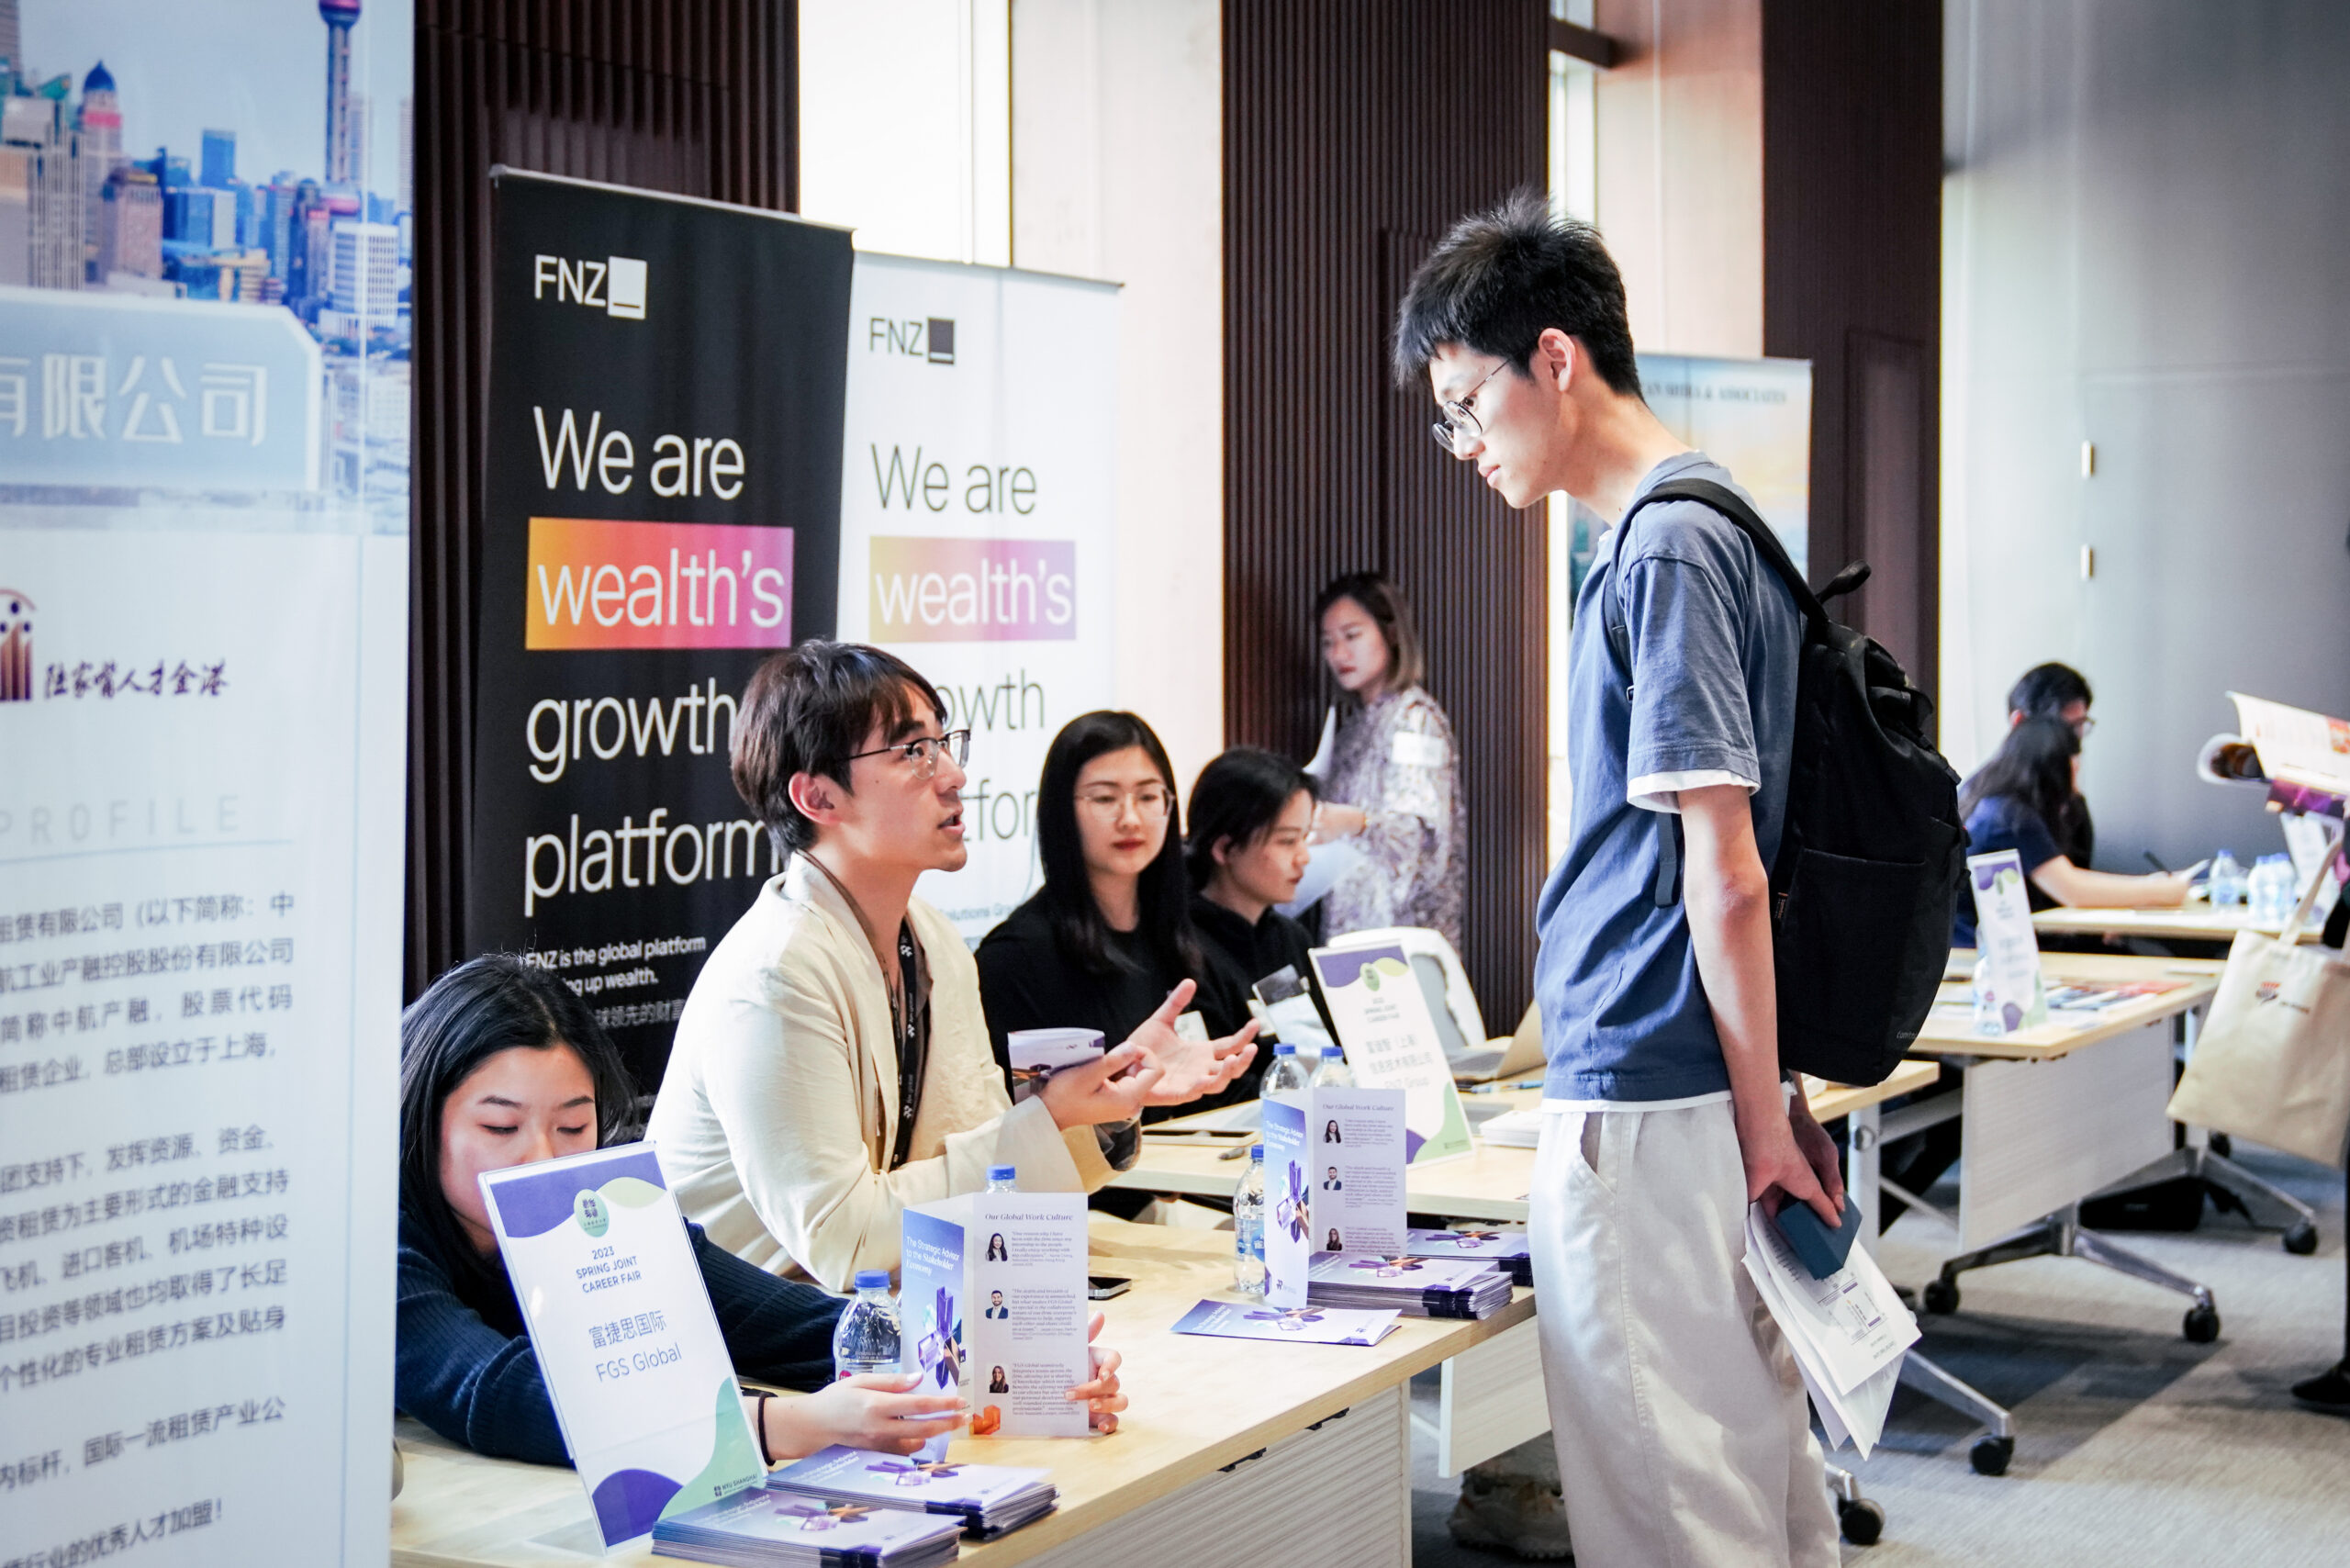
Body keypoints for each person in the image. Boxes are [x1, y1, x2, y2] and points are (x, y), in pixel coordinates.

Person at [1398, 191, 1843, 1565]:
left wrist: (1768, 1118)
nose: (1464, 445)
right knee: (1743, 1471)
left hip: (1653, 1094)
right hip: (1689, 1083)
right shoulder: (1719, 525)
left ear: (1553, 358)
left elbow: (1727, 870)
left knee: (1670, 1502)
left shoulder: (1665, 546)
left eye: (1468, 402)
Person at [648, 643, 1257, 1291]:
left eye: (944, 744)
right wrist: (1047, 1119)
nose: (953, 776)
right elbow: (847, 1242)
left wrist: (1103, 1103)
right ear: (818, 798)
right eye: (913, 752)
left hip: (884, 1321)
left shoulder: (930, 939)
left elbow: (981, 1163)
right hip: (744, 1344)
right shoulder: (775, 976)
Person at [395, 954, 1127, 1465]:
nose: (544, 1160)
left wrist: (1009, 1360)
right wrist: (786, 1425)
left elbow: (791, 1324)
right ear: (424, 1118)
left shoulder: (603, 1206)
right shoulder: (376, 1232)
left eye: (572, 1125)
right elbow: (492, 1390)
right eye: (499, 1128)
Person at [977, 711, 1260, 1122]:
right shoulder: (1017, 958)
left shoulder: (1184, 937)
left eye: (1147, 797)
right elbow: (1014, 1128)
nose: (1130, 818)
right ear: (1061, 812)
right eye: (1105, 798)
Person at [1308, 572, 1466, 951]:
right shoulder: (1352, 730)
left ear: (1390, 633)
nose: (1339, 654)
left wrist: (1353, 821)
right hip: (1350, 934)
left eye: (1352, 635)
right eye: (1329, 642)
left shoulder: (1415, 720)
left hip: (1405, 941)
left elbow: (1421, 837)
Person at [1953, 716, 2190, 947]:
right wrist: (2163, 890)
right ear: (2056, 765)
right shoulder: (2010, 817)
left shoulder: (1993, 802)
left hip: (1990, 945)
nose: (2077, 768)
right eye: (2073, 759)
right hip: (1982, 953)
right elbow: (2073, 889)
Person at [2008, 662, 2097, 864]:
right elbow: (2071, 886)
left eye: (2080, 725)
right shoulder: (1999, 809)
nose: (2074, 740)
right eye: (2065, 728)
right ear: (2019, 722)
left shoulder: (2074, 804)